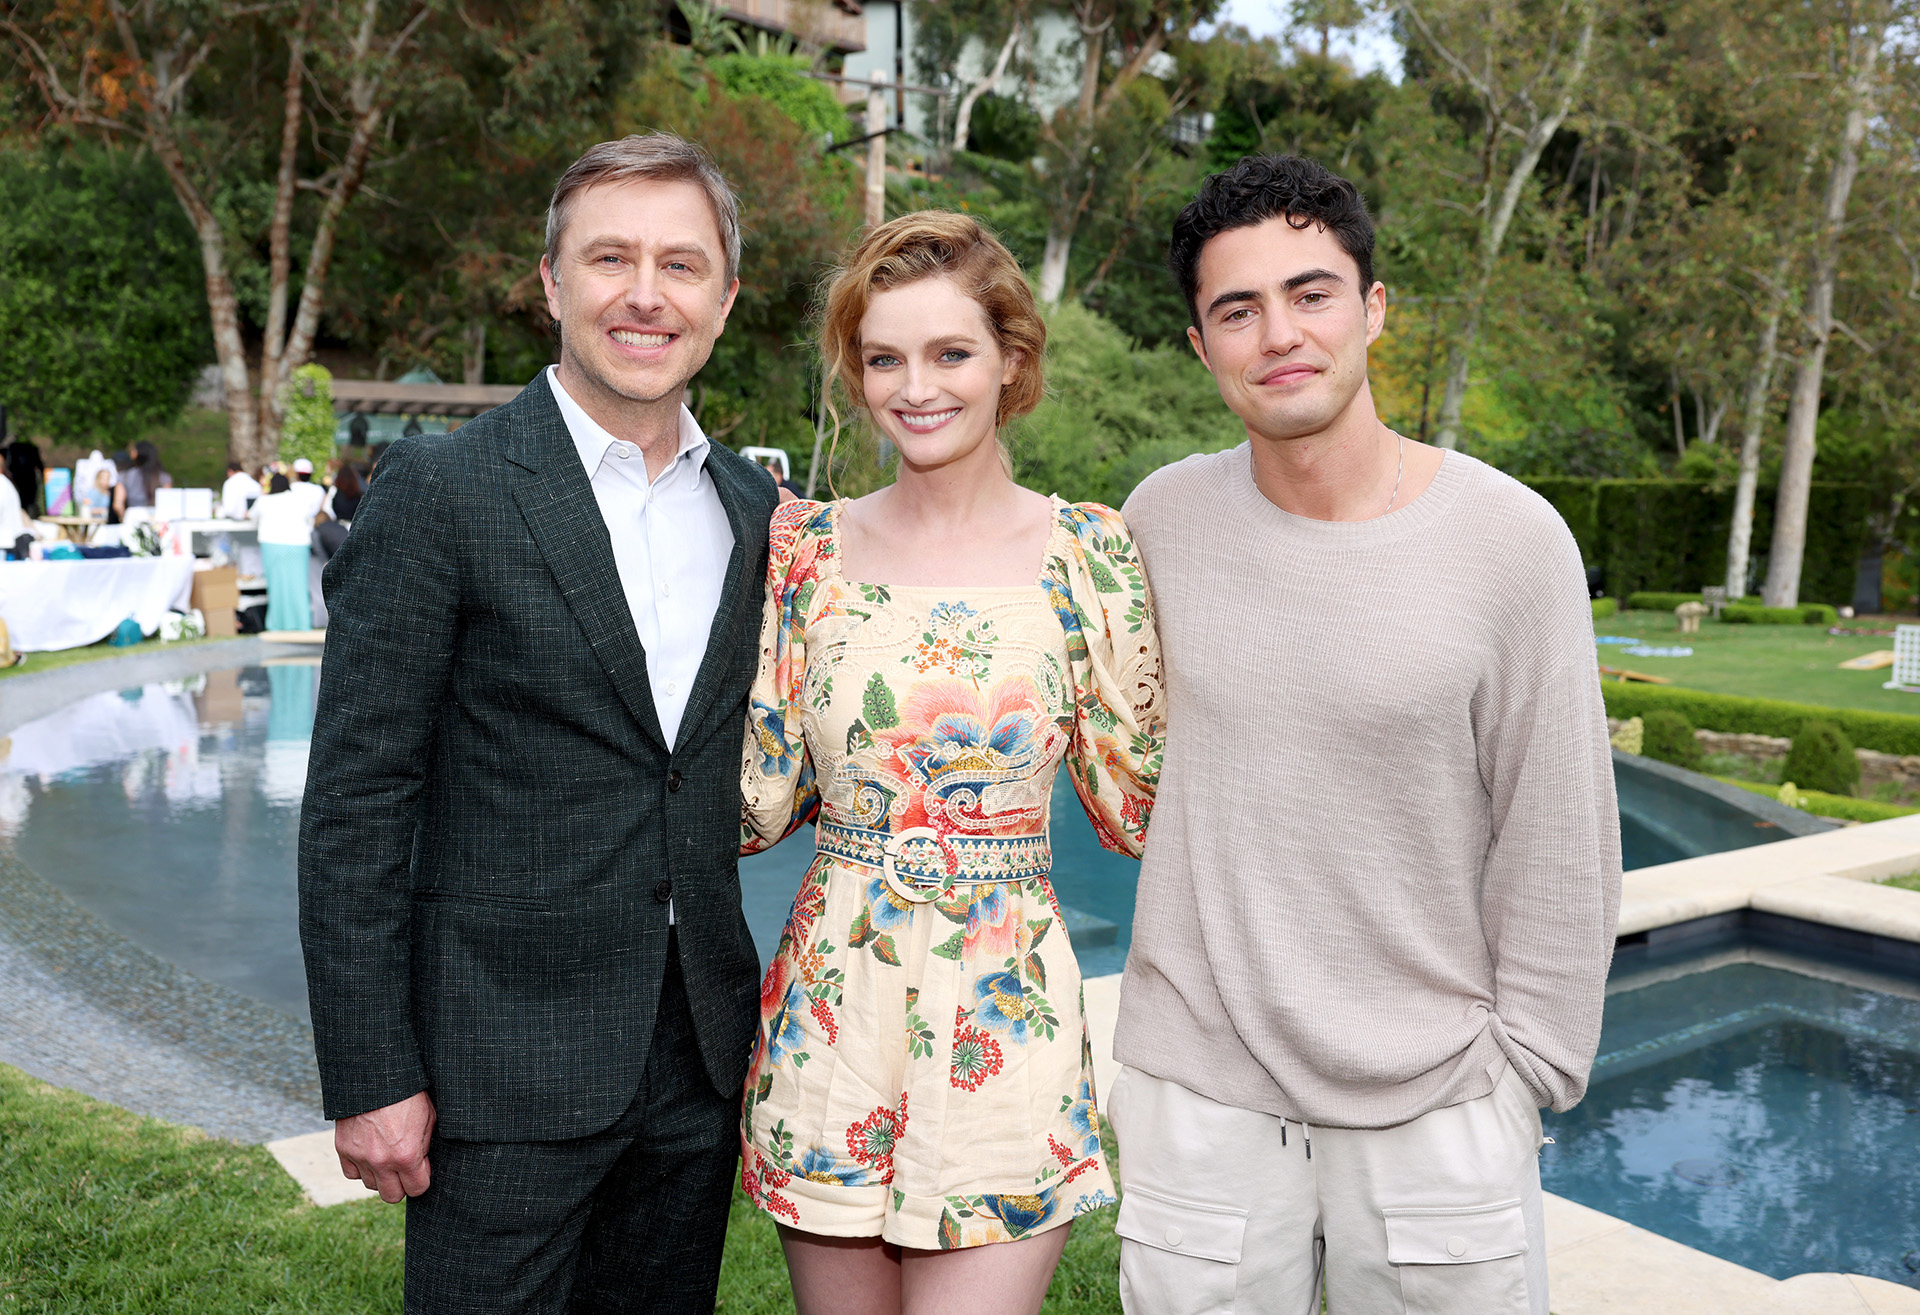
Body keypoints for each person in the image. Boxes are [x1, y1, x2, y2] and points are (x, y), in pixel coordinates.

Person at [1105, 154, 1621, 1315]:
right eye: (1236, 310)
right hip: (1205, 1094)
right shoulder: (1158, 521)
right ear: (1199, 345)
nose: (1278, 333)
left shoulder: (1513, 542)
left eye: (1311, 291)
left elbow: (1561, 834)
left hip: (1439, 1098)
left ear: (1373, 308)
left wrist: (1517, 1077)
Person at [298, 132, 776, 1314]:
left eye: (682, 263)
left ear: (725, 297)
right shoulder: (443, 491)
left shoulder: (757, 508)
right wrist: (370, 1073)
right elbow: (358, 800)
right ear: (554, 284)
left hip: (697, 1059)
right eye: (610, 257)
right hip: (495, 1067)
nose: (646, 293)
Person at [737, 212, 1164, 1314]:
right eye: (884, 358)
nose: (914, 388)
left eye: (950, 353)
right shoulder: (808, 556)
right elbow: (754, 794)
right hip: (831, 1015)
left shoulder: (1088, 552)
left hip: (1002, 1024)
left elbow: (1144, 805)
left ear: (1010, 361)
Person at [250, 473, 317, 631]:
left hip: (272, 544)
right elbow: (309, 519)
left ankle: (277, 624)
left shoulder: (263, 501)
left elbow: (252, 517)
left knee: (276, 586)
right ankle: (302, 623)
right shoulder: (300, 500)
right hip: (298, 544)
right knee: (299, 586)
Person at [114, 440, 169, 519]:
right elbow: (166, 503)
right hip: (155, 518)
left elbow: (118, 505)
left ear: (136, 454)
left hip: (133, 517)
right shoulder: (163, 477)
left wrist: (124, 519)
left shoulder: (124, 476)